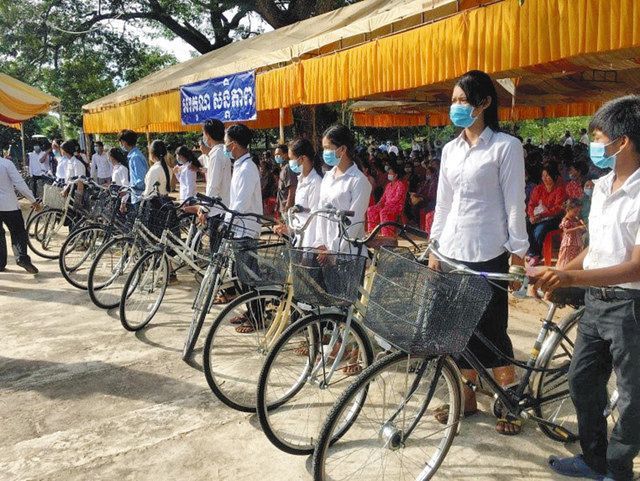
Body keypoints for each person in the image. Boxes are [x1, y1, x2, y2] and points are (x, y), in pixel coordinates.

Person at [532, 95, 640, 481]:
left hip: (631, 305)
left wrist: (571, 278)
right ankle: (594, 459)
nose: (594, 145)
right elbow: (598, 248)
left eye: (598, 137)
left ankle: (617, 469)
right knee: (581, 381)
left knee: (631, 397)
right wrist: (559, 271)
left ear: (622, 141)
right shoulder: (605, 184)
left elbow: (636, 266)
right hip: (597, 303)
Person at [429, 70, 529, 435]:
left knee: (491, 329)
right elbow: (443, 204)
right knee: (457, 329)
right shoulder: (449, 150)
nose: (455, 106)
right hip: (453, 250)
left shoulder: (506, 147)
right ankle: (466, 395)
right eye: (453, 100)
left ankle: (508, 396)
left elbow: (515, 204)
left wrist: (518, 254)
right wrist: (434, 246)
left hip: (489, 250)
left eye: (462, 100)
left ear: (484, 102)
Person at [315, 124, 372, 254]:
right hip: (325, 250)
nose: (325, 153)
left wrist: (334, 250)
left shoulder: (359, 181)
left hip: (348, 252)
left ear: (342, 149)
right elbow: (320, 213)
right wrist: (319, 243)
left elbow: (353, 222)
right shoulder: (327, 177)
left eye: (328, 148)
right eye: (323, 148)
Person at [276, 138, 322, 247]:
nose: (290, 163)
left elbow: (313, 220)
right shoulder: (301, 179)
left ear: (302, 159)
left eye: (291, 159)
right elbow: (300, 216)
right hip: (299, 240)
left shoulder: (315, 182)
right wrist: (288, 230)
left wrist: (307, 252)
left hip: (308, 244)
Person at [0, 156, 40, 273]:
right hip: (9, 205)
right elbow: (19, 183)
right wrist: (33, 200)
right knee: (18, 232)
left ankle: (0, 263)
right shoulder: (6, 164)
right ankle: (22, 258)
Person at [526, 162, 567, 265]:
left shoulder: (559, 190)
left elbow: (558, 209)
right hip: (538, 217)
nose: (545, 178)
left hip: (554, 218)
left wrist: (542, 215)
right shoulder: (538, 188)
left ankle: (536, 255)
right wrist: (531, 215)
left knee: (539, 230)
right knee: (526, 225)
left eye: (547, 175)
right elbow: (531, 203)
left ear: (553, 176)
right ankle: (532, 253)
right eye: (543, 175)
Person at [199, 119, 232, 220]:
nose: (203, 137)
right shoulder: (224, 151)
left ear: (208, 135)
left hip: (217, 209)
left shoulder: (216, 154)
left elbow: (213, 185)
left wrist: (204, 208)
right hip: (225, 204)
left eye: (203, 134)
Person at [366, 161, 407, 237]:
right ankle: (373, 231)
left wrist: (386, 205)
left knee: (384, 212)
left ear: (396, 175)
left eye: (391, 173)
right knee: (371, 209)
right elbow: (384, 197)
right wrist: (379, 203)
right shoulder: (388, 185)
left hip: (396, 206)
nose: (389, 175)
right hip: (386, 205)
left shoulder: (400, 185)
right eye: (389, 173)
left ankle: (387, 234)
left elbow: (397, 198)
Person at [117, 130, 148, 204]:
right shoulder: (134, 155)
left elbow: (140, 181)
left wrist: (128, 189)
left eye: (120, 142)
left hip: (139, 198)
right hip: (137, 197)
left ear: (124, 142)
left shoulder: (135, 157)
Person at [556, 198, 585, 269]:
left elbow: (580, 228)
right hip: (569, 243)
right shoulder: (566, 220)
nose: (577, 213)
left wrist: (582, 227)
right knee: (566, 257)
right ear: (568, 210)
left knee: (575, 257)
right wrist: (578, 228)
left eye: (578, 211)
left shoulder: (576, 219)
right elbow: (566, 231)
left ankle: (573, 270)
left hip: (576, 242)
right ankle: (563, 270)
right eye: (575, 212)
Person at [275, 144, 297, 215]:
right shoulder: (283, 168)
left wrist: (287, 207)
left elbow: (292, 189)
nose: (276, 157)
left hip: (288, 208)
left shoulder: (288, 168)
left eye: (279, 154)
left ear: (285, 154)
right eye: (275, 155)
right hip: (283, 207)